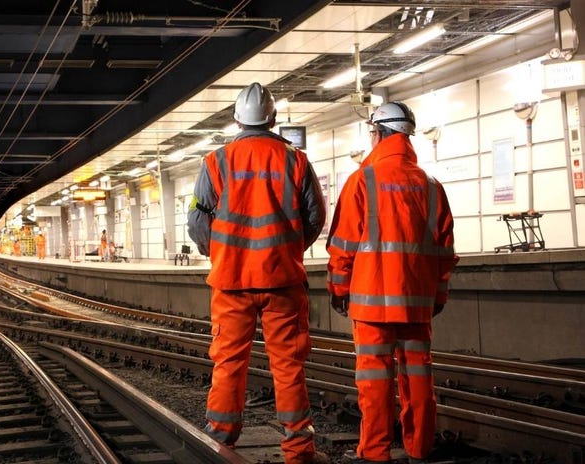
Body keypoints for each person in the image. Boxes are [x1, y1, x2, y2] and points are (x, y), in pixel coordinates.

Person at [187, 82, 328, 464]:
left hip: (231, 283)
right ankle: (299, 449)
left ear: (235, 120)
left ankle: (221, 442)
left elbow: (197, 219)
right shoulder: (295, 160)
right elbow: (315, 216)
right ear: (274, 119)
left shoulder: (215, 162)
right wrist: (288, 249)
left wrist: (220, 253)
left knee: (229, 361)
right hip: (283, 281)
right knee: (288, 364)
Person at [326, 102, 459, 464]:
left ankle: (375, 451)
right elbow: (444, 250)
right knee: (418, 376)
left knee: (375, 380)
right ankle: (419, 447)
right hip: (417, 303)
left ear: (379, 134)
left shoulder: (362, 181)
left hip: (371, 306)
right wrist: (438, 295)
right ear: (408, 137)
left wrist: (338, 288)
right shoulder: (432, 186)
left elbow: (343, 247)